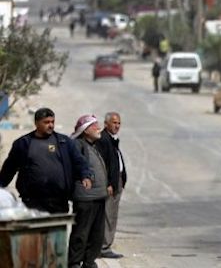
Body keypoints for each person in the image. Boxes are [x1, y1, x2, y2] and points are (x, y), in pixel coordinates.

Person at [0, 108, 92, 214]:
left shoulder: (64, 142)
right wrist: (1, 185)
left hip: (59, 200)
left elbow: (79, 161)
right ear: (36, 123)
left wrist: (85, 175)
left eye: (52, 122)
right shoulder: (23, 144)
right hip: (33, 201)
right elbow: (9, 168)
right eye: (46, 122)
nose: (51, 125)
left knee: (58, 225)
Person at [69, 115, 109, 268]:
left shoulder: (93, 145)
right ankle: (74, 263)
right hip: (85, 198)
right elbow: (76, 166)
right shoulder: (78, 145)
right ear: (85, 130)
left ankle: (89, 262)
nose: (98, 128)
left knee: (96, 234)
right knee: (81, 232)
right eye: (94, 126)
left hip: (98, 197)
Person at [96, 112, 126, 259]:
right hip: (110, 185)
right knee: (108, 216)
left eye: (119, 123)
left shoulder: (112, 139)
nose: (117, 126)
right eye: (114, 123)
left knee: (112, 215)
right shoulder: (103, 139)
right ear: (106, 123)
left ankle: (105, 245)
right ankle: (104, 247)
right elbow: (102, 164)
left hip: (116, 183)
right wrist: (108, 183)